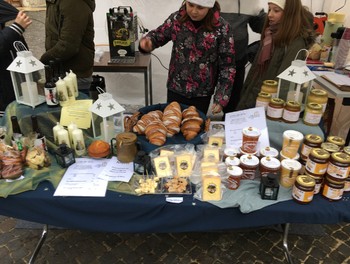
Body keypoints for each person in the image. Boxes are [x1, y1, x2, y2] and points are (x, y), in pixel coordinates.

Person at [138, 0, 236, 115]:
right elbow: (158, 35)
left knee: (195, 127)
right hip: (176, 87)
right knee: (172, 125)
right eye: (190, 5)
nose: (194, 11)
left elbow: (227, 66)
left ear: (209, 7)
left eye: (200, 7)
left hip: (202, 93)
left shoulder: (222, 28)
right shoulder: (177, 19)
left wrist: (221, 98)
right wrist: (148, 43)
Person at [236, 0, 315, 111]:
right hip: (256, 95)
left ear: (289, 12)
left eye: (276, 10)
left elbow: (285, 84)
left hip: (270, 104)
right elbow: (256, 71)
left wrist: (273, 109)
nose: (269, 15)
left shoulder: (295, 42)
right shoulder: (270, 35)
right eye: (269, 10)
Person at [220, 0, 266, 117]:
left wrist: (278, 18)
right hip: (208, 60)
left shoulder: (250, 2)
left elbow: (259, 25)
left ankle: (230, 130)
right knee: (200, 103)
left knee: (233, 105)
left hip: (237, 60)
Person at [40, 0, 95, 93]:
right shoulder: (56, 2)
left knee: (76, 106)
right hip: (61, 73)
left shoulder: (73, 3)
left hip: (73, 76)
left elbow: (67, 46)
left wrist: (41, 61)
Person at [0, 9, 32, 113]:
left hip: (21, 95)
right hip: (4, 104)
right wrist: (16, 28)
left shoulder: (12, 34)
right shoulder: (12, 33)